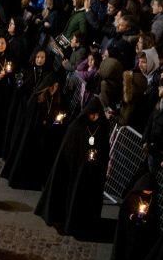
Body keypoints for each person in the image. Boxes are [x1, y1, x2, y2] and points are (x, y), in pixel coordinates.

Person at [35, 97, 110, 239]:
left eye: (97, 114)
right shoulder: (76, 127)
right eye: (93, 113)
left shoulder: (102, 127)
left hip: (91, 173)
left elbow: (105, 148)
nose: (96, 117)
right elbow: (68, 151)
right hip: (74, 171)